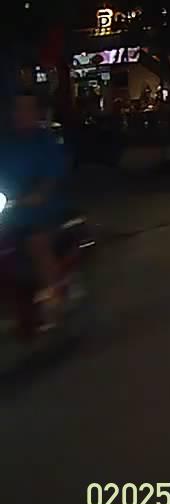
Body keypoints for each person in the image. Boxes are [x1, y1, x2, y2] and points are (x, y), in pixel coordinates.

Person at [2, 93, 71, 328]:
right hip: (10, 212)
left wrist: (40, 193)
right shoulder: (6, 143)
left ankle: (54, 298)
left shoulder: (45, 142)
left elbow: (53, 174)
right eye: (18, 109)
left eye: (27, 109)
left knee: (36, 242)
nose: (22, 114)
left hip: (41, 211)